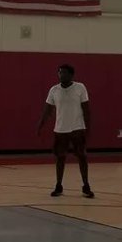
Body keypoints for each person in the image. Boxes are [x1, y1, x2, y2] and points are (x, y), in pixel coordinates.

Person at [37, 63, 93, 198]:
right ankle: (58, 185)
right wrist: (40, 124)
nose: (61, 75)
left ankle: (86, 185)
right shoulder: (54, 90)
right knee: (60, 158)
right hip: (60, 129)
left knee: (81, 156)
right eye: (60, 72)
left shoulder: (80, 88)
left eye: (64, 73)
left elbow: (86, 109)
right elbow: (47, 110)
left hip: (77, 128)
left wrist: (88, 128)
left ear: (71, 75)